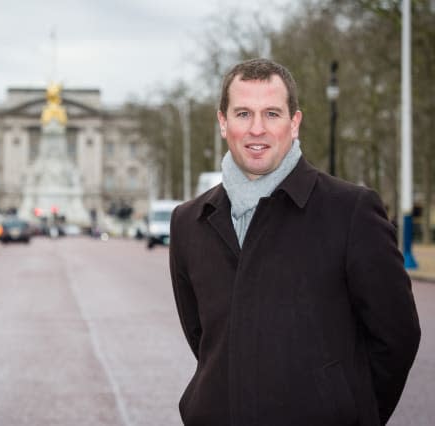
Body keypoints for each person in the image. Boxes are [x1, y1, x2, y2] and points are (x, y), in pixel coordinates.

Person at [169, 58, 420, 426]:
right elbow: (204, 337)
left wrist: (350, 409)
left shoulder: (351, 210)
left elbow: (396, 335)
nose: (257, 129)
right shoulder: (188, 222)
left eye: (272, 113)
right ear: (223, 123)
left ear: (294, 123)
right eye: (243, 114)